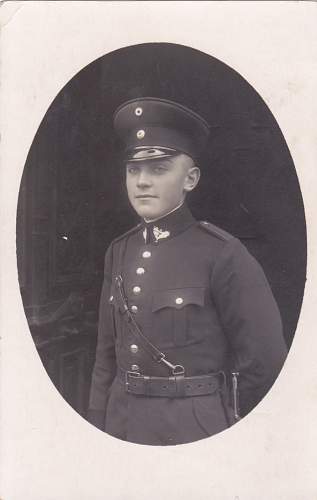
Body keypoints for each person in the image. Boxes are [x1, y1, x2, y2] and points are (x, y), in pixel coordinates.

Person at [87, 97, 287, 445]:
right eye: (133, 169)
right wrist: (97, 422)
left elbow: (266, 363)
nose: (142, 181)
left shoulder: (223, 254)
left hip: (191, 429)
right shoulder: (119, 250)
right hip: (121, 424)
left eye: (159, 169)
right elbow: (106, 354)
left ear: (190, 178)